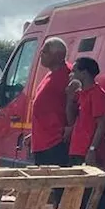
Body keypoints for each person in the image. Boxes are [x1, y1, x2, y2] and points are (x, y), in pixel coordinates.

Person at [30, 36, 72, 166]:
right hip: (42, 142)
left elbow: (77, 103)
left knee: (53, 185)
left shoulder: (69, 75)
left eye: (45, 52)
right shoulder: (50, 74)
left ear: (58, 56)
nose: (41, 54)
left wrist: (71, 126)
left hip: (55, 143)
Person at [67, 57, 105, 166]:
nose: (71, 74)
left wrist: (92, 149)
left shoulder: (97, 94)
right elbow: (71, 120)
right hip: (76, 149)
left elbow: (102, 124)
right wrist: (70, 99)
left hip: (86, 151)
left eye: (74, 71)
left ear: (84, 73)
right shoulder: (81, 94)